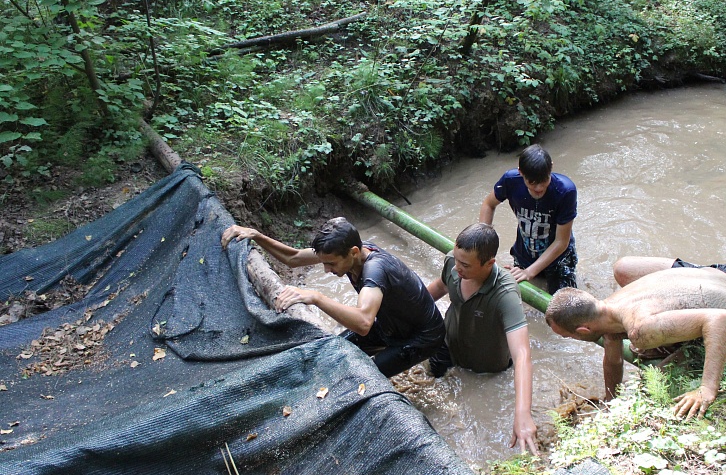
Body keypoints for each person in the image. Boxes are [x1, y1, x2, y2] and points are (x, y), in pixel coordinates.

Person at [221, 217, 445, 377]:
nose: (326, 269)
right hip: (391, 326)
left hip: (421, 338)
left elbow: (364, 322)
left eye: (331, 264)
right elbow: (294, 257)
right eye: (324, 262)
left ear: (354, 252)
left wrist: (316, 297)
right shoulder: (345, 252)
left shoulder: (376, 270)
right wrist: (257, 236)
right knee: (338, 349)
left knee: (366, 376)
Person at [544, 256, 726, 420]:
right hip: (722, 275)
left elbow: (718, 318)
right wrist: (610, 400)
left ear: (583, 330)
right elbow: (613, 358)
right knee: (624, 267)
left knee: (659, 372)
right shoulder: (607, 308)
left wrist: (707, 388)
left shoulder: (641, 330)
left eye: (568, 336)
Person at [426, 223, 538, 454]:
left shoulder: (505, 292)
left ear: (489, 264)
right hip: (448, 348)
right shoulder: (453, 262)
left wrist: (522, 413)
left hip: (487, 368)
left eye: (465, 265)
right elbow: (440, 287)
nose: (457, 268)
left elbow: (522, 355)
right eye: (456, 260)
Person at [479, 144, 578, 295]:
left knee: (564, 305)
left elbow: (561, 242)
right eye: (531, 182)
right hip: (524, 254)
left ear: (551, 168)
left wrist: (530, 272)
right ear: (521, 172)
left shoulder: (565, 191)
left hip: (559, 259)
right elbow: (488, 204)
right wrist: (483, 242)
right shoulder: (511, 180)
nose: (538, 188)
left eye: (544, 180)